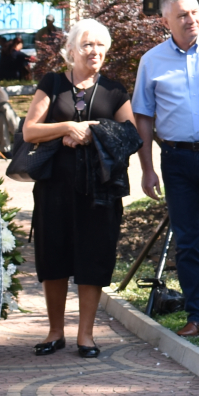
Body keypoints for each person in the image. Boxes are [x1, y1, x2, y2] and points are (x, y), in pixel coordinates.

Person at [22, 19, 135, 359]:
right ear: (70, 51)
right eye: (87, 45)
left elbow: (131, 135)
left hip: (99, 191)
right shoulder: (53, 84)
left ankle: (85, 335)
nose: (94, 51)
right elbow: (30, 131)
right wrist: (67, 127)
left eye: (100, 45)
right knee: (52, 256)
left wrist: (91, 131)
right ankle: (55, 331)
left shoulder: (114, 90)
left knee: (93, 257)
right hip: (54, 188)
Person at [131, 0, 199, 337]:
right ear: (165, 22)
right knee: (187, 240)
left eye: (195, 12)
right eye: (183, 15)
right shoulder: (152, 61)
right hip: (176, 160)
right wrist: (146, 168)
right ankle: (197, 315)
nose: (192, 19)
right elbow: (143, 116)